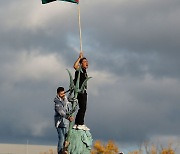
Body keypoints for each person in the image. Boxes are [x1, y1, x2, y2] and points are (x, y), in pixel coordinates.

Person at [73, 51, 90, 131]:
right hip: (81, 91)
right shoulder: (80, 70)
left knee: (81, 108)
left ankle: (77, 123)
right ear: (81, 63)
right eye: (85, 61)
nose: (87, 63)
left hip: (83, 91)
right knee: (83, 108)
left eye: (87, 61)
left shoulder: (85, 71)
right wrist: (79, 58)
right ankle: (80, 123)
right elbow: (75, 66)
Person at [54, 87, 74, 154]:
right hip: (60, 123)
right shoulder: (57, 102)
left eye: (63, 93)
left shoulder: (66, 99)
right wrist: (68, 117)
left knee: (67, 138)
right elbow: (61, 111)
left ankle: (65, 150)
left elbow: (69, 104)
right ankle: (60, 152)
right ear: (58, 94)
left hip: (66, 123)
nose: (63, 95)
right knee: (62, 138)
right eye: (61, 94)